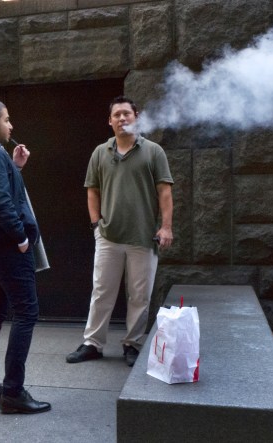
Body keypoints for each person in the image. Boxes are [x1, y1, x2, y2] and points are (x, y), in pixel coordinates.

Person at [66, 95, 174, 367]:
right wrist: (96, 226)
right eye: (117, 115)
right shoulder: (100, 152)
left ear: (136, 116)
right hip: (108, 237)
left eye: (127, 113)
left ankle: (132, 344)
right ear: (110, 121)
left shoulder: (153, 151)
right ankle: (92, 343)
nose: (122, 118)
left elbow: (165, 192)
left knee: (139, 296)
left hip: (143, 237)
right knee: (102, 291)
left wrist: (166, 227)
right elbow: (92, 190)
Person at [0, 97, 51, 414]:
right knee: (26, 311)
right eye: (7, 120)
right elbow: (0, 203)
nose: (11, 125)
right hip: (8, 247)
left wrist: (15, 167)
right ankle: (13, 393)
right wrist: (20, 238)